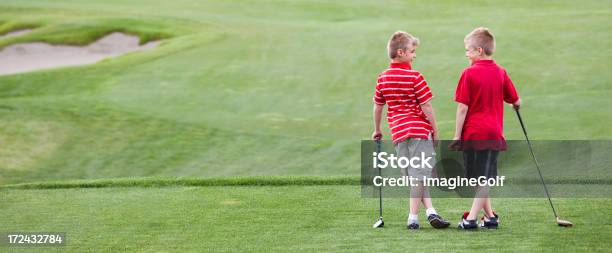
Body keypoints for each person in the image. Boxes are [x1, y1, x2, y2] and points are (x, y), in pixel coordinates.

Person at [372, 31, 450, 230]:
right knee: (420, 176)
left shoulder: (383, 77)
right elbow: (427, 106)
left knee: (416, 176)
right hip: (419, 130)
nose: (414, 55)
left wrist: (377, 129)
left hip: (398, 133)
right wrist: (435, 131)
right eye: (412, 52)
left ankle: (431, 211)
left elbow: (378, 106)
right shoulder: (415, 76)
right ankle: (412, 218)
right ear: (401, 52)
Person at [450, 27, 521, 229]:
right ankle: (490, 217)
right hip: (493, 133)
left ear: (479, 50)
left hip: (474, 133)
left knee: (481, 178)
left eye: (469, 50)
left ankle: (471, 219)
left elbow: (462, 108)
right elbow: (515, 99)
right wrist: (515, 104)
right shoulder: (500, 72)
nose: (466, 53)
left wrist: (457, 135)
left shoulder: (468, 73)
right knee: (481, 177)